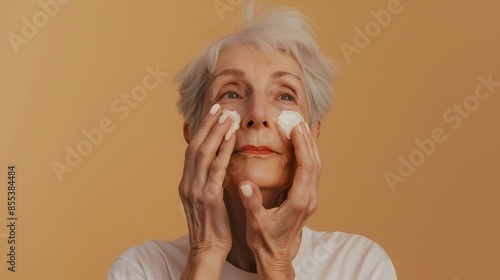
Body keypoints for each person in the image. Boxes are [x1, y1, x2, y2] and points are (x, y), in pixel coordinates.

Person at [108, 1, 397, 279]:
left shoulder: (359, 266)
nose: (258, 115)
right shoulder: (141, 269)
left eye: (285, 95)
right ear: (195, 133)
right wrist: (204, 254)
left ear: (311, 133)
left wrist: (276, 263)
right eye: (231, 93)